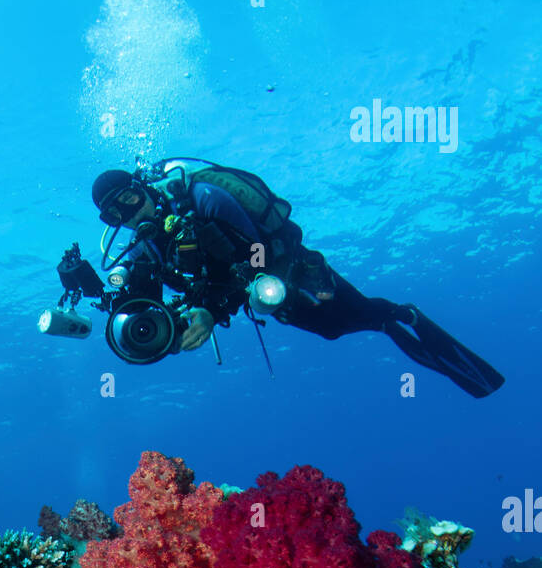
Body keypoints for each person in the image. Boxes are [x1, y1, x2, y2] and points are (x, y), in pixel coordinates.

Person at [91, 161, 504, 397]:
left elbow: (257, 250)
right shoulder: (146, 247)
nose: (130, 214)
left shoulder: (203, 199)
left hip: (290, 270)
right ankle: (386, 319)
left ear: (141, 186)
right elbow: (145, 303)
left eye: (129, 199)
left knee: (354, 314)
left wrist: (211, 311)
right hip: (259, 296)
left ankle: (401, 315)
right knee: (332, 330)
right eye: (115, 214)